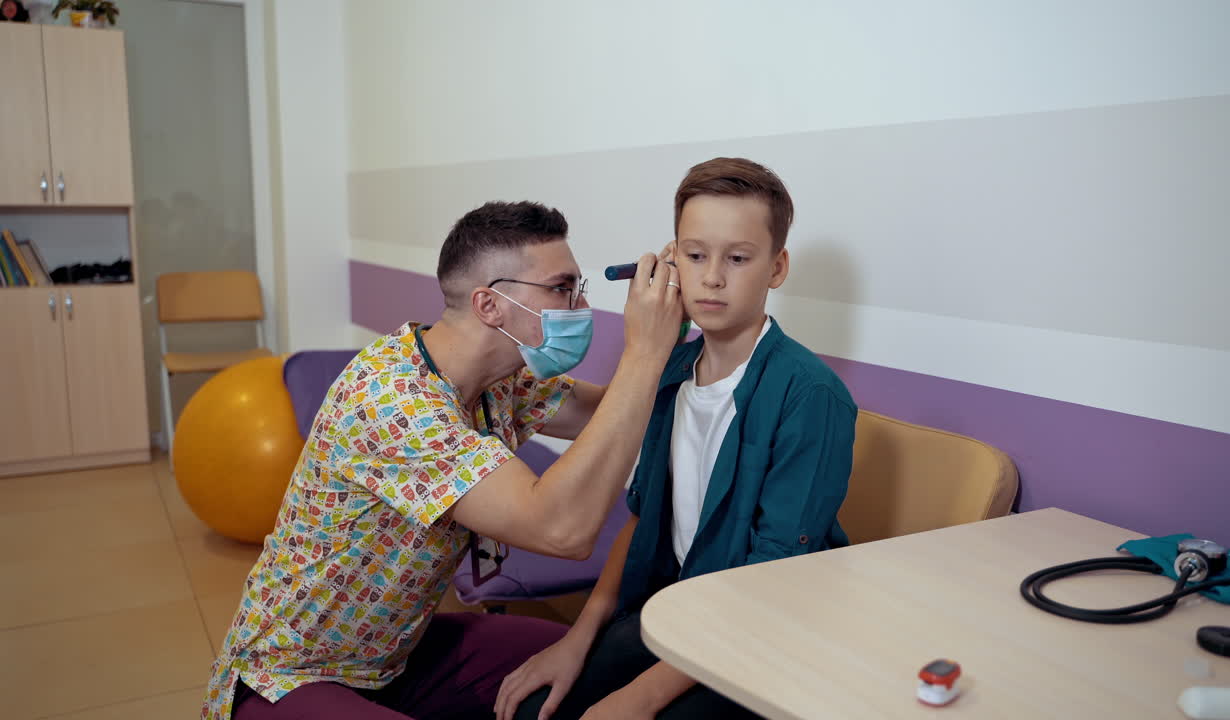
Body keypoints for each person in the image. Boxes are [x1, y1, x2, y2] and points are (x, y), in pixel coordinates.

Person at [202, 200, 685, 719]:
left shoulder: (501, 381)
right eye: (562, 288)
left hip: (393, 659)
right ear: (490, 305)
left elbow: (612, 413)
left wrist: (676, 335)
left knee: (582, 660)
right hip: (287, 677)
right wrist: (643, 351)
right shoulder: (395, 402)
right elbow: (561, 530)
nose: (580, 307)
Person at [501, 158, 858, 720]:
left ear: (777, 266)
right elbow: (644, 517)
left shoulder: (810, 395)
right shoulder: (668, 372)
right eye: (694, 256)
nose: (712, 277)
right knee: (535, 709)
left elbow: (776, 576)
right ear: (672, 260)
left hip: (764, 631)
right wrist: (579, 636)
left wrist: (637, 700)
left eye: (738, 259)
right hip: (678, 615)